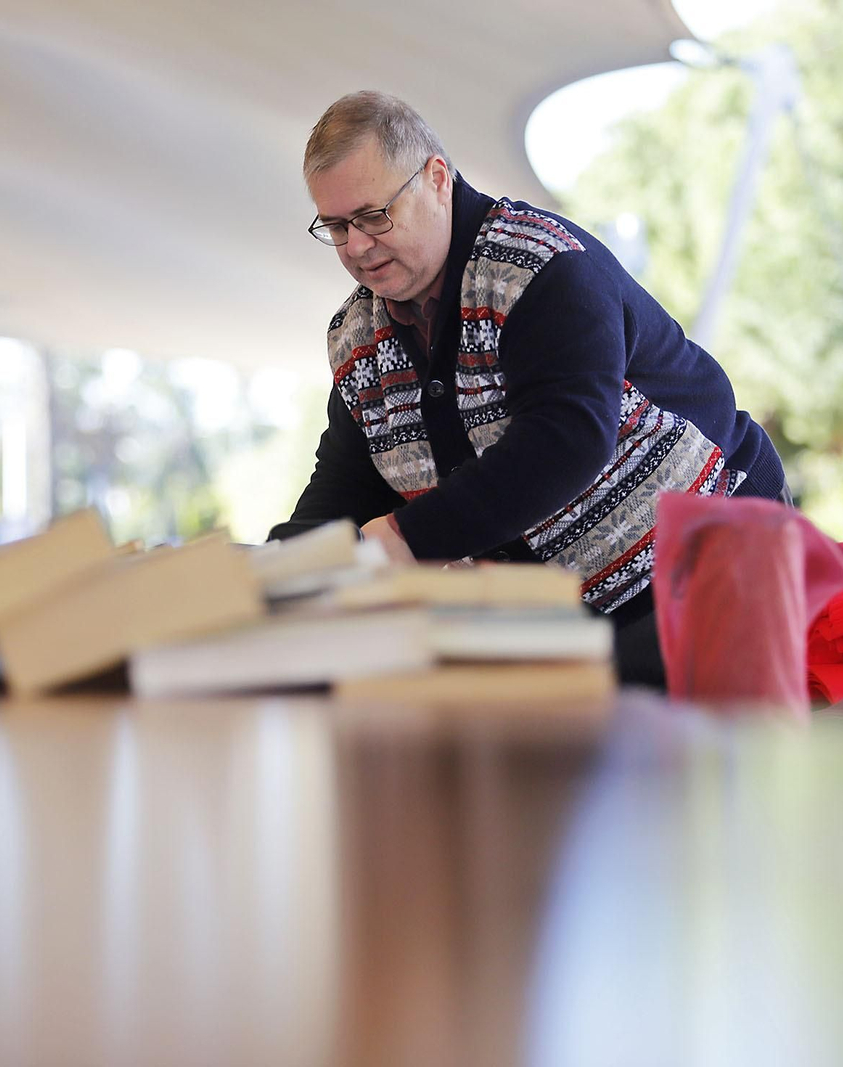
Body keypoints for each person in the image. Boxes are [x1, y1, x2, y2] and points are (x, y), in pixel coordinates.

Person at [268, 92, 787, 685]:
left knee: (721, 770)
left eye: (373, 216)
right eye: (335, 227)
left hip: (712, 564)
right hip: (569, 620)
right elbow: (347, 485)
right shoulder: (356, 336)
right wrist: (274, 575)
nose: (356, 245)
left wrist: (406, 538)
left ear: (437, 179)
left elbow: (566, 440)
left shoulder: (540, 266)